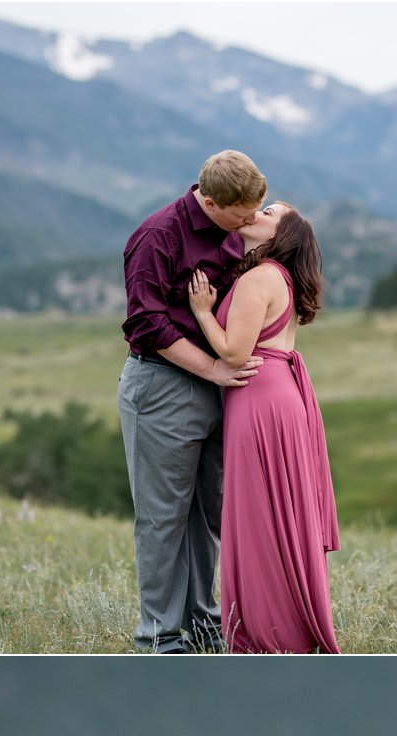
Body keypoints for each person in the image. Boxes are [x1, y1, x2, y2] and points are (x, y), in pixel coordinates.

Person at [118, 150, 269, 654]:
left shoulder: (234, 230)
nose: (250, 224)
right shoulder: (156, 236)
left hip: (217, 388)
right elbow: (145, 322)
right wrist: (214, 369)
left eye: (256, 212)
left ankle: (204, 624)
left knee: (208, 512)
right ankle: (158, 636)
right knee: (164, 516)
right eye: (242, 215)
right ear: (209, 201)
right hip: (162, 385)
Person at [186, 201, 341, 652]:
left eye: (270, 212)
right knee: (278, 514)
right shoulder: (280, 277)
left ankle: (270, 631)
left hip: (259, 397)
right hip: (277, 395)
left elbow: (234, 354)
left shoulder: (260, 277)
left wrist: (200, 311)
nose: (258, 211)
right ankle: (283, 622)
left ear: (283, 235)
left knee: (259, 514)